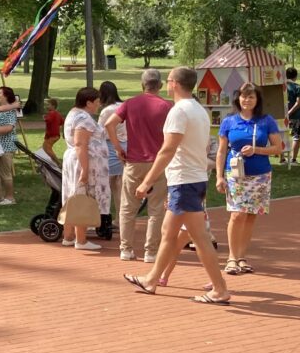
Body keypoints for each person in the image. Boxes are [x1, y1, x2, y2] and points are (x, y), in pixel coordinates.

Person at [124, 67, 230, 303]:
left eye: (168, 80)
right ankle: (152, 279)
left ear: (174, 83)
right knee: (169, 233)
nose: (166, 84)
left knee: (199, 237)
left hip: (185, 181)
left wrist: (147, 181)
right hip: (191, 179)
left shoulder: (179, 111)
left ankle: (220, 289)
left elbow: (168, 149)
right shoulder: (198, 110)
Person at [102, 68, 172, 263]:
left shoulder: (130, 103)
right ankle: (151, 251)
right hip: (159, 162)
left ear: (142, 85)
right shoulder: (167, 106)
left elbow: (109, 123)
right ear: (160, 85)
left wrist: (117, 148)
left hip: (134, 160)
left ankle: (126, 249)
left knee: (127, 207)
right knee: (156, 209)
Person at [216, 83, 283, 277]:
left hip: (260, 174)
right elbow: (221, 151)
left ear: (257, 100)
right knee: (237, 214)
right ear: (238, 98)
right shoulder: (229, 121)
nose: (247, 100)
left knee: (251, 215)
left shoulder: (266, 121)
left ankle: (242, 257)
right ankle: (231, 258)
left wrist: (257, 150)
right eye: (244, 97)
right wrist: (219, 176)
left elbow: (278, 147)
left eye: (251, 97)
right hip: (236, 174)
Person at [59, 87, 107, 250]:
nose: (99, 104)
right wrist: (85, 170)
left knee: (72, 197)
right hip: (83, 162)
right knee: (83, 196)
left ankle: (68, 235)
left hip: (74, 160)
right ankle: (81, 239)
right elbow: (81, 144)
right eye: (97, 101)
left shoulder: (74, 114)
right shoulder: (84, 119)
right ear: (88, 102)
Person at [97, 81, 125, 239]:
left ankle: (104, 218)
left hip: (110, 146)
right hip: (126, 146)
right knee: (120, 188)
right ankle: (121, 220)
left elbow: (100, 131)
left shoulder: (107, 111)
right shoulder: (124, 105)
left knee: (105, 186)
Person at [41, 98, 62, 164]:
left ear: (53, 106)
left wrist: (44, 117)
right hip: (56, 135)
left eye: (48, 105)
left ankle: (58, 163)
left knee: (47, 148)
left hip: (52, 135)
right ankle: (49, 162)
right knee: (45, 147)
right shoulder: (58, 114)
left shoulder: (51, 113)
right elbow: (62, 122)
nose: (47, 106)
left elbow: (48, 120)